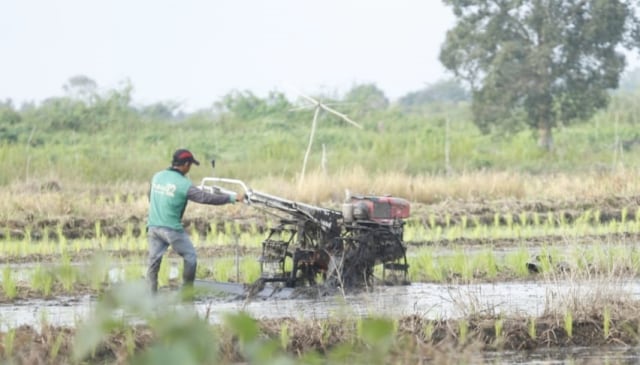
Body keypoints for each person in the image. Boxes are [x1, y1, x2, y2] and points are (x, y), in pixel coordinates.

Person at [146, 148, 242, 293]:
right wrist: (231, 198)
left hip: (153, 226)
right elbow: (205, 198)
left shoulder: (157, 176)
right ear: (185, 164)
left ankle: (150, 296)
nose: (189, 169)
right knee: (190, 256)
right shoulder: (184, 184)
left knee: (153, 263)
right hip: (171, 229)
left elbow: (150, 195)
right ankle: (187, 292)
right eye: (190, 165)